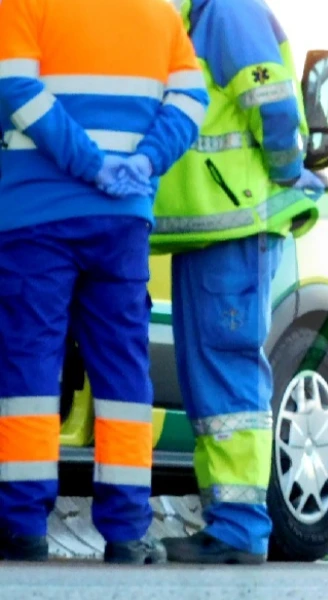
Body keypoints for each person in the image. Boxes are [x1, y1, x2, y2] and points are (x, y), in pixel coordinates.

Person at [0, 0, 205, 563]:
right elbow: (192, 99)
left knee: (29, 367)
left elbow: (14, 90)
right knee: (122, 369)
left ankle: (20, 525)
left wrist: (90, 162)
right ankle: (127, 531)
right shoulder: (160, 15)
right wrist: (144, 162)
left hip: (35, 213)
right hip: (122, 218)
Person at [153, 0, 325, 564]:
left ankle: (240, 527)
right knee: (207, 377)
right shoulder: (194, 14)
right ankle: (229, 521)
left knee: (226, 371)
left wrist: (284, 171)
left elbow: (272, 103)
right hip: (207, 228)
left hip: (236, 224)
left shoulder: (225, 11)